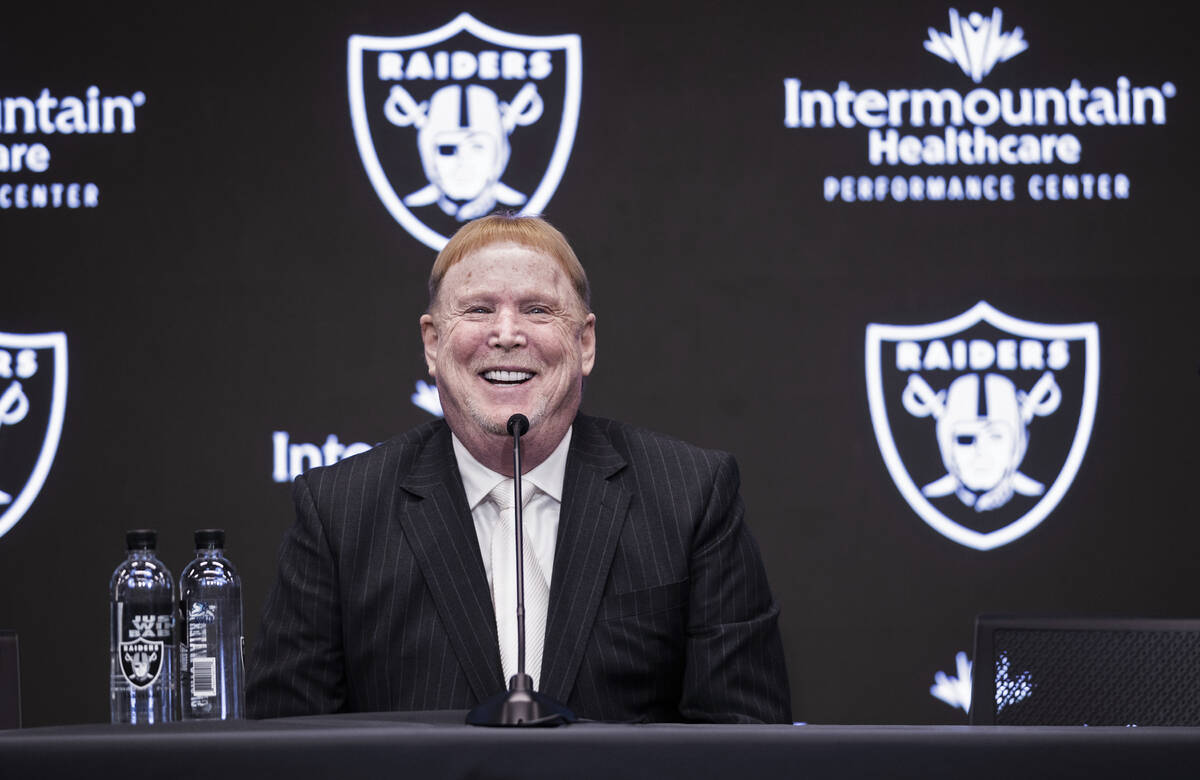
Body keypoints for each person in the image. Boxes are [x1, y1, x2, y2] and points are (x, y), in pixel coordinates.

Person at [247, 214, 791, 723]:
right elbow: (286, 746)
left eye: (537, 310)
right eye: (479, 310)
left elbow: (746, 741)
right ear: (433, 344)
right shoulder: (340, 510)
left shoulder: (691, 496)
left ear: (585, 343)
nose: (506, 334)